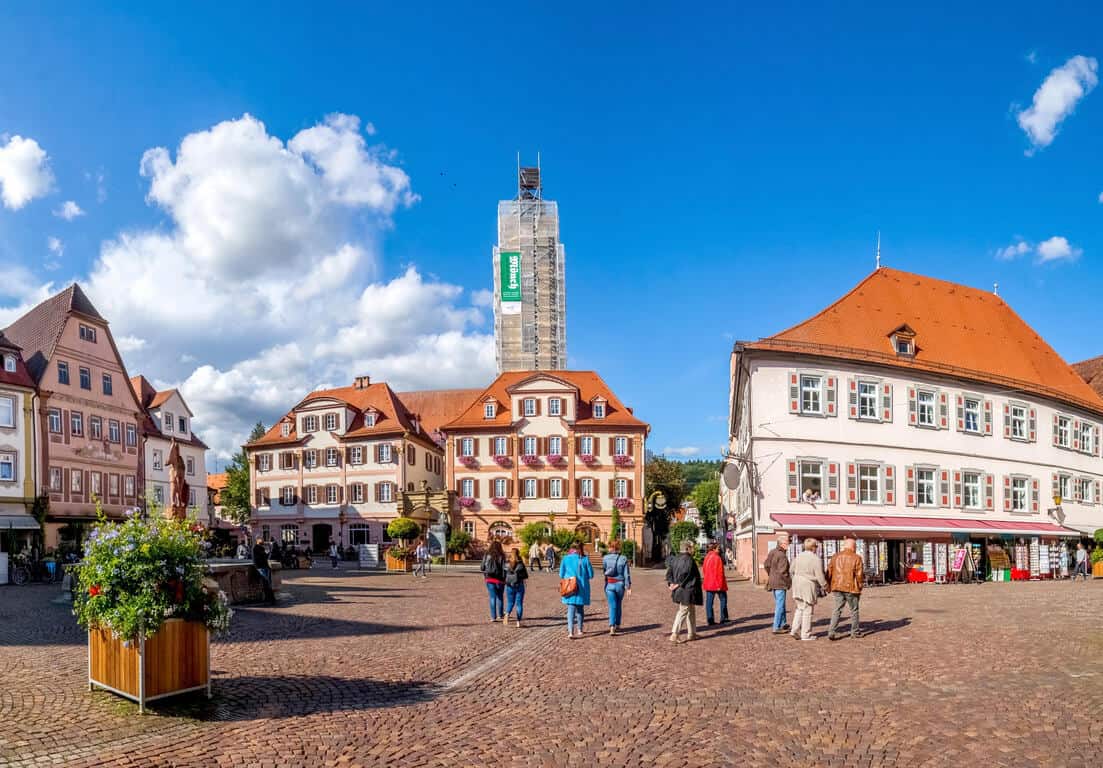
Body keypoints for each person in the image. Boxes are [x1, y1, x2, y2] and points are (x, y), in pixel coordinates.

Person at [790, 538, 827, 641]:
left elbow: (791, 570)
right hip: (808, 585)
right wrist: (825, 586)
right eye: (816, 546)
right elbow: (820, 575)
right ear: (813, 547)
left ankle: (794, 630)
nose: (817, 548)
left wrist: (796, 578)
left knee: (799, 608)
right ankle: (806, 634)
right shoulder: (815, 559)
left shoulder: (798, 556)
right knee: (807, 610)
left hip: (797, 583)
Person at [827, 536, 864, 640]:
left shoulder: (835, 557)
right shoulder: (856, 557)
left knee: (837, 609)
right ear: (853, 546)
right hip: (851, 587)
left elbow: (829, 572)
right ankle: (855, 632)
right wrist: (860, 586)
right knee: (854, 610)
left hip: (837, 586)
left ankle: (831, 631)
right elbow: (859, 575)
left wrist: (829, 585)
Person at [666, 539, 703, 643]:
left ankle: (692, 633)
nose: (693, 549)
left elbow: (669, 574)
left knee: (691, 610)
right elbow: (685, 573)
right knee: (683, 610)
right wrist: (677, 584)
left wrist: (671, 583)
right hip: (687, 589)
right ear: (687, 548)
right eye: (692, 547)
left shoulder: (675, 559)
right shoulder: (688, 559)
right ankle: (674, 634)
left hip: (682, 589)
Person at [559, 543, 593, 638]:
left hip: (570, 586)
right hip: (582, 588)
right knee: (580, 609)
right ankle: (580, 629)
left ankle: (570, 632)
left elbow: (561, 574)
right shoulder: (585, 559)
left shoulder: (565, 558)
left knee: (570, 609)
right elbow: (591, 575)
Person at [763, 532, 792, 634]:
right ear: (782, 544)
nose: (789, 544)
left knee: (781, 604)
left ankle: (783, 623)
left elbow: (766, 564)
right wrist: (789, 582)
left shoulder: (773, 552)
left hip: (773, 582)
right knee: (780, 605)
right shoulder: (782, 555)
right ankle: (776, 627)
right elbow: (783, 572)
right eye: (787, 542)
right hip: (780, 583)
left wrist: (771, 574)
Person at [602, 540, 632, 635]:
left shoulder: (605, 558)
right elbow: (626, 574)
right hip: (620, 584)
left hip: (609, 584)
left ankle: (611, 626)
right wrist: (628, 587)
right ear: (618, 548)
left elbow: (605, 571)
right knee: (618, 604)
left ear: (610, 547)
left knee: (612, 605)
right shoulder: (623, 558)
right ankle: (618, 624)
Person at [702, 542, 729, 625]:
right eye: (718, 548)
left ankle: (710, 619)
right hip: (717, 583)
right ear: (713, 549)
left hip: (708, 583)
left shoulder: (707, 557)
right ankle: (723, 618)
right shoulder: (717, 558)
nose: (719, 549)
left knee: (709, 602)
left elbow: (704, 570)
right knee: (723, 599)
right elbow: (720, 573)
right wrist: (719, 585)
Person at [481, 541, 507, 622]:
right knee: (500, 597)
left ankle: (493, 616)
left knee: (492, 597)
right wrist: (505, 578)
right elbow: (504, 568)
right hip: (500, 579)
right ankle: (500, 614)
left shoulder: (487, 555)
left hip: (489, 578)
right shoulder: (502, 555)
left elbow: (482, 567)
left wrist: (485, 572)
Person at [504, 548, 529, 627]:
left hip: (509, 585)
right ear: (518, 554)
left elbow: (503, 574)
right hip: (519, 585)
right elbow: (525, 575)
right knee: (519, 604)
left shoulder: (507, 563)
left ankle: (507, 614)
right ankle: (518, 622)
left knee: (510, 602)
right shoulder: (520, 564)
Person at [252, 536, 276, 605]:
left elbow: (266, 557)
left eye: (262, 539)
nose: (262, 540)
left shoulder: (262, 548)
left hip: (265, 567)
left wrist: (268, 552)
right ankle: (270, 599)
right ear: (257, 540)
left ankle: (269, 598)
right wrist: (258, 568)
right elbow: (255, 560)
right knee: (266, 583)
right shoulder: (255, 548)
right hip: (261, 568)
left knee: (268, 583)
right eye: (261, 539)